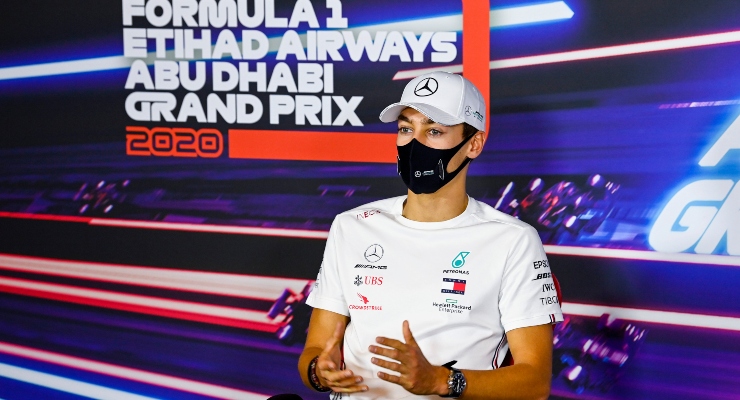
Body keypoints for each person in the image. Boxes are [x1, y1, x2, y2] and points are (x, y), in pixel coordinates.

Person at [297, 71, 563, 399]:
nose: (414, 143)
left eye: (434, 130)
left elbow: (535, 382)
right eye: (406, 129)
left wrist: (441, 381)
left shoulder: (513, 240)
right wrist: (319, 372)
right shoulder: (351, 226)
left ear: (474, 144)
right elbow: (314, 352)